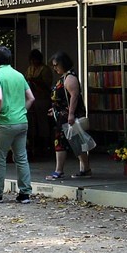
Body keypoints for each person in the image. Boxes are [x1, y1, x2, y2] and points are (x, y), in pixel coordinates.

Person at [0, 46, 35, 204]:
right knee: (21, 157)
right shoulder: (19, 75)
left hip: (5, 122)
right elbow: (31, 98)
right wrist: (22, 111)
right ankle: (25, 193)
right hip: (22, 122)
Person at [45, 50, 91, 180]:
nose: (55, 68)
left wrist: (70, 114)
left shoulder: (69, 78)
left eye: (56, 65)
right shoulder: (66, 77)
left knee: (62, 141)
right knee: (76, 142)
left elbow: (74, 96)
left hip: (68, 116)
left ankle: (59, 170)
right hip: (63, 114)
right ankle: (85, 168)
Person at [23, 48, 52, 157]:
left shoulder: (45, 70)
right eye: (32, 60)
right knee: (32, 122)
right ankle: (34, 144)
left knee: (42, 122)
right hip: (31, 98)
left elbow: (47, 85)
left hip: (42, 99)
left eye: (36, 60)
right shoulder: (30, 69)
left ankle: (45, 145)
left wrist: (35, 81)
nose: (34, 62)